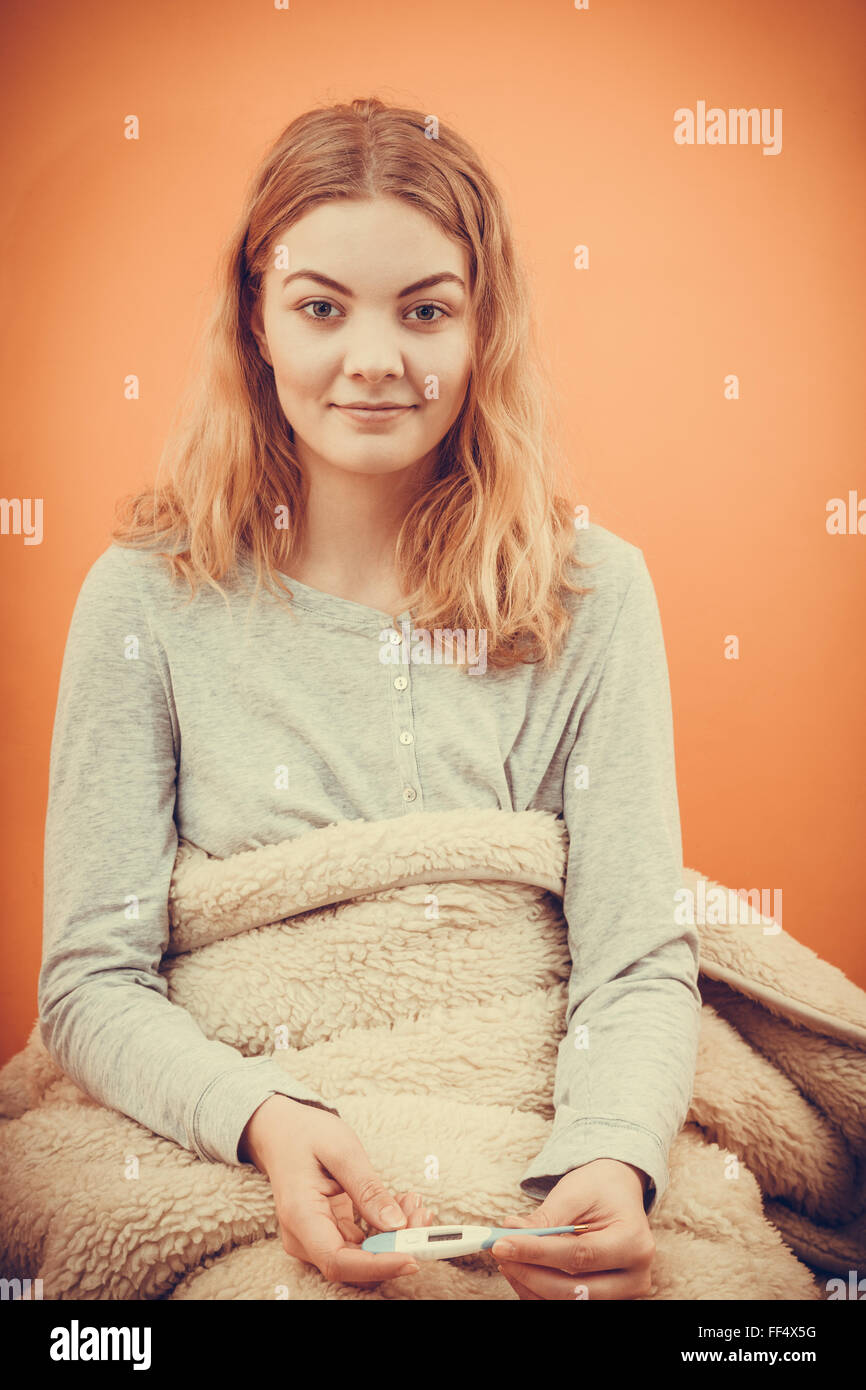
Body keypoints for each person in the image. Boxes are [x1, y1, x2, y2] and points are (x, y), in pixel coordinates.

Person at [39, 96, 702, 1300]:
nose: (376, 360)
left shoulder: (596, 593)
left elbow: (633, 960)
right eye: (320, 307)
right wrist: (266, 1120)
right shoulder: (145, 599)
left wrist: (611, 1148)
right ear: (257, 323)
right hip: (243, 1140)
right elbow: (92, 979)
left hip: (523, 1122)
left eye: (426, 309)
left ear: (478, 326)